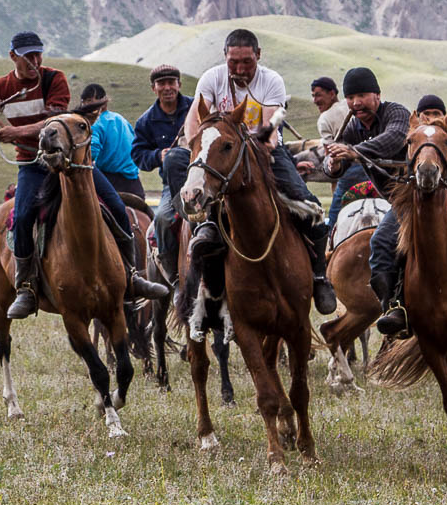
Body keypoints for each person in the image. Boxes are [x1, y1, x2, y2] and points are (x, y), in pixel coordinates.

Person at [0, 30, 166, 319]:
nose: (34, 60)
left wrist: (16, 132)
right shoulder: (2, 86)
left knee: (117, 206)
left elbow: (55, 123)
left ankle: (132, 276)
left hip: (67, 164)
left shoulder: (53, 78)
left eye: (37, 54)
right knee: (21, 218)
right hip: (32, 166)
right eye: (27, 55)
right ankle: (26, 287)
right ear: (12, 57)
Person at [325, 74, 447, 337]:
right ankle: (393, 308)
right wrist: (334, 164)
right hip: (405, 200)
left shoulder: (396, 113)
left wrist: (355, 151)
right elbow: (335, 166)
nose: (356, 102)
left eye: (361, 96)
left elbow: (394, 138)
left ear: (377, 96)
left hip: (441, 182)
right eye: (350, 98)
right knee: (380, 243)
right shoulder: (353, 130)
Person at [181, 29, 336, 314]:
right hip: (217, 151)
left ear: (258, 56)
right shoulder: (211, 78)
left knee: (309, 206)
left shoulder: (271, 81)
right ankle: (208, 272)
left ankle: (318, 276)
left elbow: (271, 129)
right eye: (233, 62)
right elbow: (195, 121)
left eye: (247, 62)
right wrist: (196, 149)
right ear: (225, 57)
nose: (240, 69)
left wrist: (249, 150)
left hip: (262, 150)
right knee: (196, 203)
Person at [133, 64, 193, 289]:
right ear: (154, 88)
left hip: (205, 178)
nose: (167, 87)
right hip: (172, 184)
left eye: (171, 82)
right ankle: (173, 275)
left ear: (179, 84)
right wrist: (158, 156)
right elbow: (138, 155)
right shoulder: (146, 121)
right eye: (162, 83)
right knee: (163, 220)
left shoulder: (196, 108)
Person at [304, 76, 364, 228]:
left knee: (335, 212)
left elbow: (330, 153)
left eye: (318, 95)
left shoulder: (325, 119)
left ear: (332, 94)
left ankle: (331, 240)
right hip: (371, 161)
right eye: (313, 96)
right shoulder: (350, 104)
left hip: (352, 168)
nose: (315, 100)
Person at [79, 83, 145, 199]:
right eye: (84, 101)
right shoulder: (121, 119)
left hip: (111, 183)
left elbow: (92, 153)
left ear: (103, 102)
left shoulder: (95, 124)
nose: (85, 105)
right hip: (135, 184)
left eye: (89, 101)